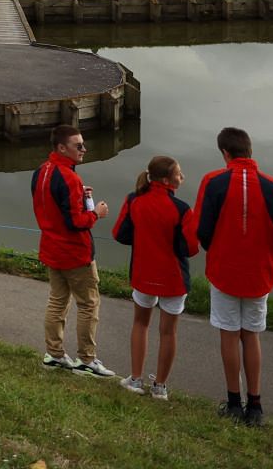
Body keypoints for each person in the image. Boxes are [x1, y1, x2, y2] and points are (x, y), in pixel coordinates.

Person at [194, 127, 273, 428]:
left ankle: (234, 403)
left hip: (224, 271)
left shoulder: (213, 182)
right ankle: (256, 406)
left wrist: (218, 247)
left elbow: (202, 230)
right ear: (250, 150)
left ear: (225, 153)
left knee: (228, 333)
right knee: (251, 334)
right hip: (258, 275)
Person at [114, 155, 200, 399]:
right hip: (172, 278)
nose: (182, 177)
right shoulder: (182, 209)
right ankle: (160, 387)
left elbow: (120, 233)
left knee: (140, 323)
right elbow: (191, 248)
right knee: (168, 332)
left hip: (143, 273)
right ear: (166, 180)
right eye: (178, 174)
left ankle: (135, 379)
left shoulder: (134, 200)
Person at [34, 124, 116, 376]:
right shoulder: (69, 177)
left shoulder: (41, 171)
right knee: (88, 305)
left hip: (51, 248)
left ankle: (54, 354)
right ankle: (87, 359)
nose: (84, 149)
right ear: (62, 147)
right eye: (78, 146)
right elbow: (75, 222)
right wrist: (96, 213)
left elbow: (54, 208)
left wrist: (81, 197)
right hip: (74, 253)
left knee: (57, 302)